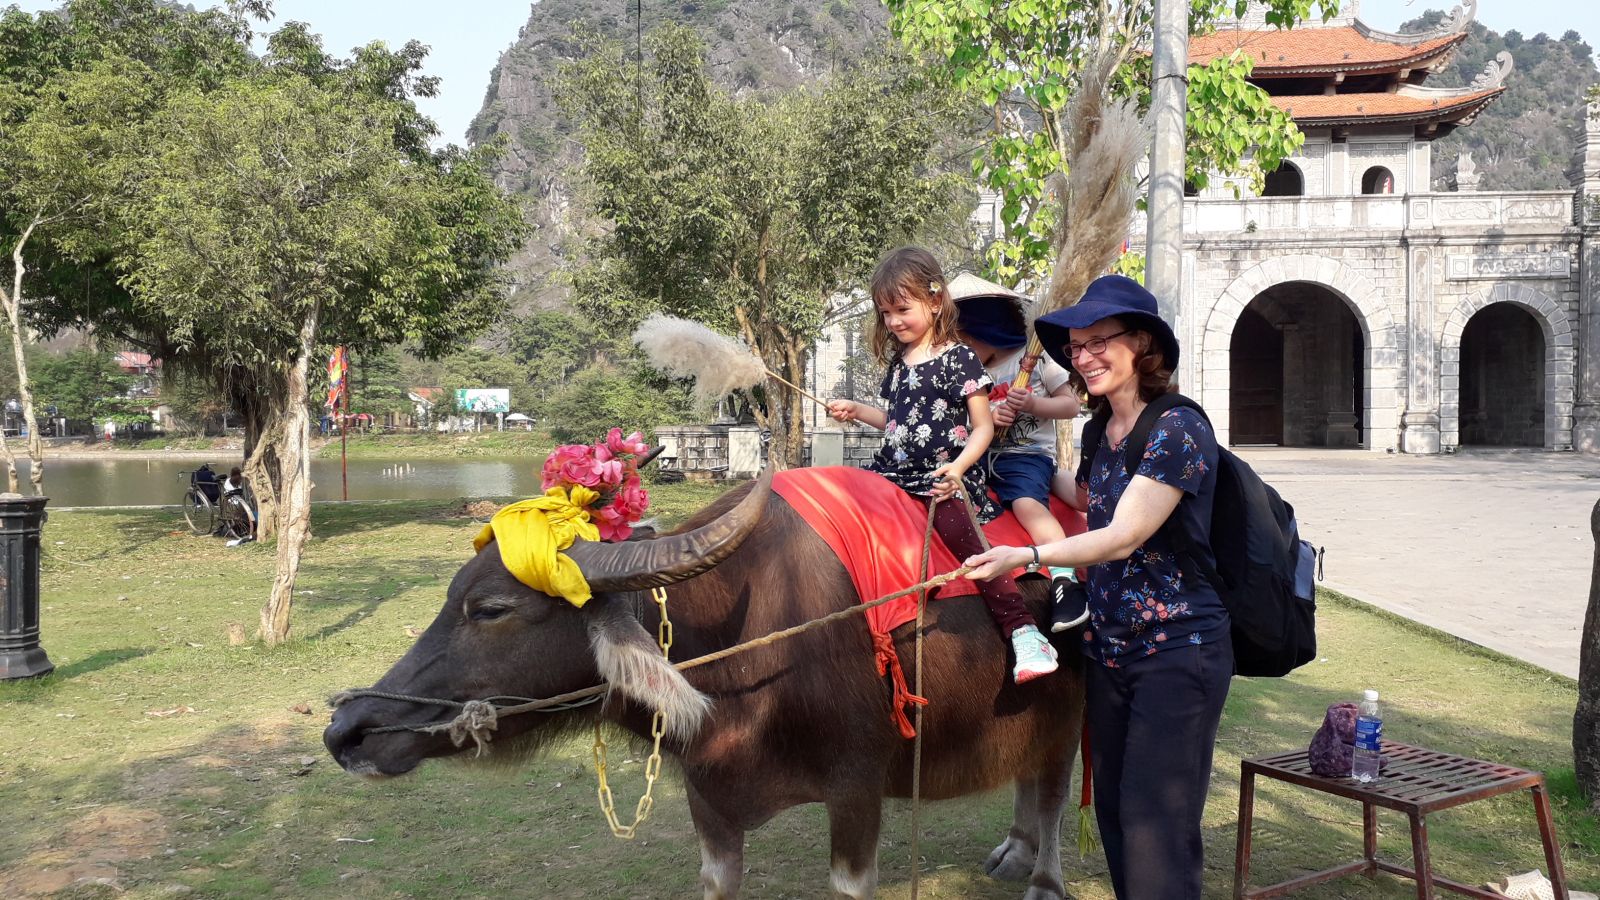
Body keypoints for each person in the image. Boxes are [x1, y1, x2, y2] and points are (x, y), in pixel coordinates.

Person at [963, 274, 1229, 899]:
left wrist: (1025, 554)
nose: (1083, 357)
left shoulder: (1179, 428)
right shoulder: (1098, 429)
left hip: (1177, 650)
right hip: (1111, 648)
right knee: (1112, 809)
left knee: (1153, 819)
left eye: (1098, 341)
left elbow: (1122, 534)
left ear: (1142, 345)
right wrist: (991, 458)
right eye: (1075, 347)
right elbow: (1087, 499)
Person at [826, 247, 1059, 684]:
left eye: (902, 308)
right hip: (892, 471)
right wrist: (857, 410)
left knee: (967, 543)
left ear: (935, 301)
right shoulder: (898, 363)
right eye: (885, 312)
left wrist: (957, 470)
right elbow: (897, 422)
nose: (894, 321)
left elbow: (983, 428)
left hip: (943, 475)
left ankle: (1023, 629)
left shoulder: (960, 358)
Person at [949, 276, 1088, 634]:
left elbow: (1071, 405)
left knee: (1026, 502)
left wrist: (1032, 403)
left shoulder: (1038, 358)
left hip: (1025, 456)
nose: (960, 351)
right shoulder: (972, 372)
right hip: (980, 456)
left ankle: (1064, 577)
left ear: (987, 329)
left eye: (964, 341)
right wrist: (987, 419)